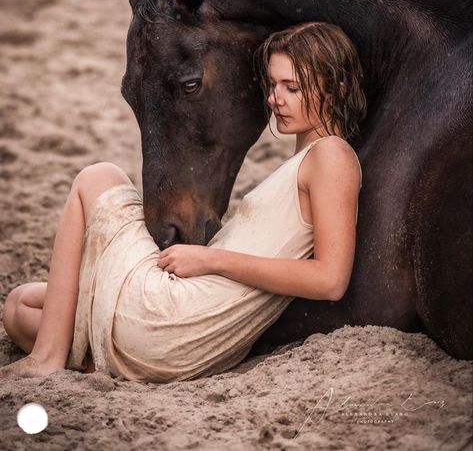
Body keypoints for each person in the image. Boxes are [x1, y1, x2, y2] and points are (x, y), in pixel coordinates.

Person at [1, 21, 367, 382]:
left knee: (97, 177)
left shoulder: (332, 156)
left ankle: (48, 358)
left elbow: (330, 279)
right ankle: (101, 358)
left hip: (179, 321)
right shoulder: (306, 158)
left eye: (293, 87)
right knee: (20, 305)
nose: (275, 99)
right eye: (273, 84)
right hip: (181, 342)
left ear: (337, 87)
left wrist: (210, 258)